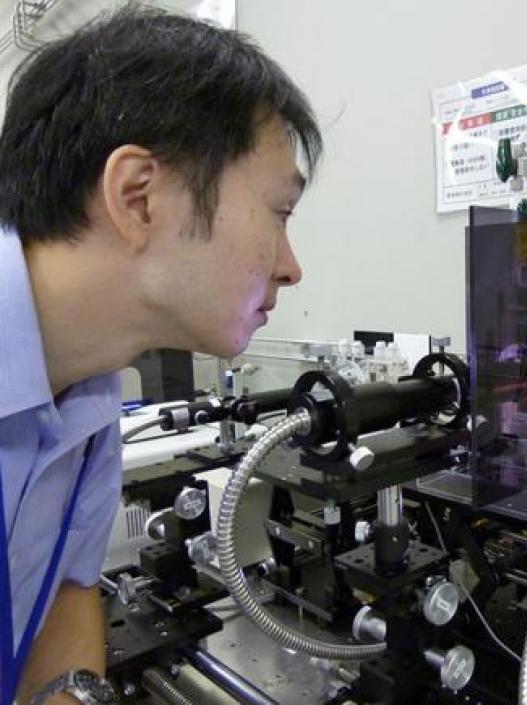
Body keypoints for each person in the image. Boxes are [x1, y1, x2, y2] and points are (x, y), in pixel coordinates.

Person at [0, 6, 320, 703]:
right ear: (138, 197)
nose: (291, 267)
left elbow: (62, 588)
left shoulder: (89, 386)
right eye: (279, 213)